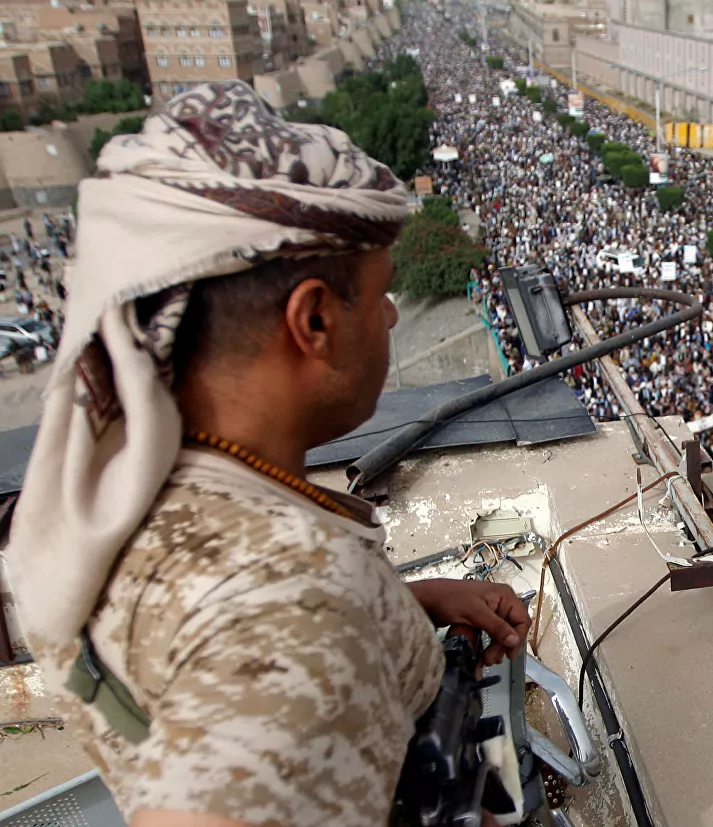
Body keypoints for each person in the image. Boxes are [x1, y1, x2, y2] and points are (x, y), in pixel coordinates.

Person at [7, 82, 532, 827]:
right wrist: (339, 618)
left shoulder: (142, 497)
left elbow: (225, 656)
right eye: (381, 294)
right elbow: (271, 650)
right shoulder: (296, 606)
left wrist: (403, 610)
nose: (390, 315)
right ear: (314, 319)